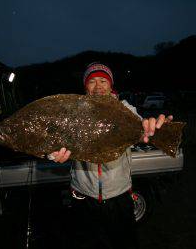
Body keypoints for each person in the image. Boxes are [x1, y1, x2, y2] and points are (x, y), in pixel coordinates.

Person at [49, 62, 173, 249]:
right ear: (85, 87)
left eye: (103, 81)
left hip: (120, 196)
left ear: (110, 85)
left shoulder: (124, 109)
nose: (98, 86)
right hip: (83, 198)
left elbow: (142, 127)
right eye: (92, 82)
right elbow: (55, 142)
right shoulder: (74, 112)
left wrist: (152, 128)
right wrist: (53, 155)